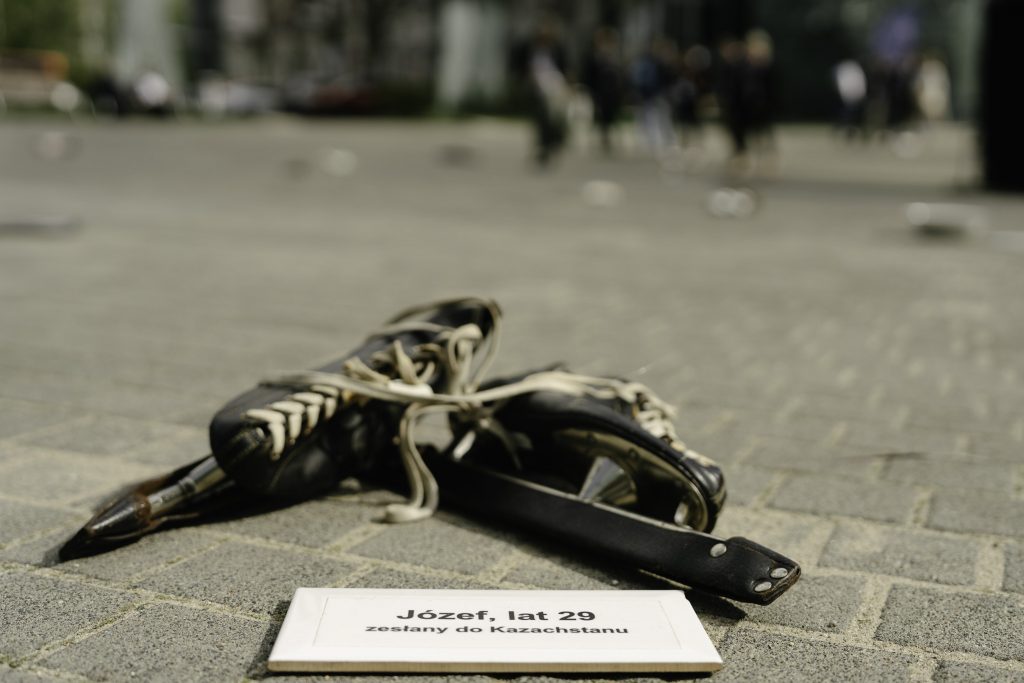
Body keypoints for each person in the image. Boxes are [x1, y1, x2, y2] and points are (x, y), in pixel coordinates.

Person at [513, 18, 570, 167]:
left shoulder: (557, 49)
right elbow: (520, 65)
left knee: (555, 117)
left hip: (555, 87)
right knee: (541, 118)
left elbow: (565, 67)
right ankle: (544, 145)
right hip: (537, 89)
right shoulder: (529, 48)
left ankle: (553, 141)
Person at [582, 27, 625, 154]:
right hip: (599, 92)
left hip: (613, 92)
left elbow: (620, 75)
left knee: (611, 116)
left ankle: (608, 137)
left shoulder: (615, 57)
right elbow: (589, 75)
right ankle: (603, 138)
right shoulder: (594, 57)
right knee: (600, 116)